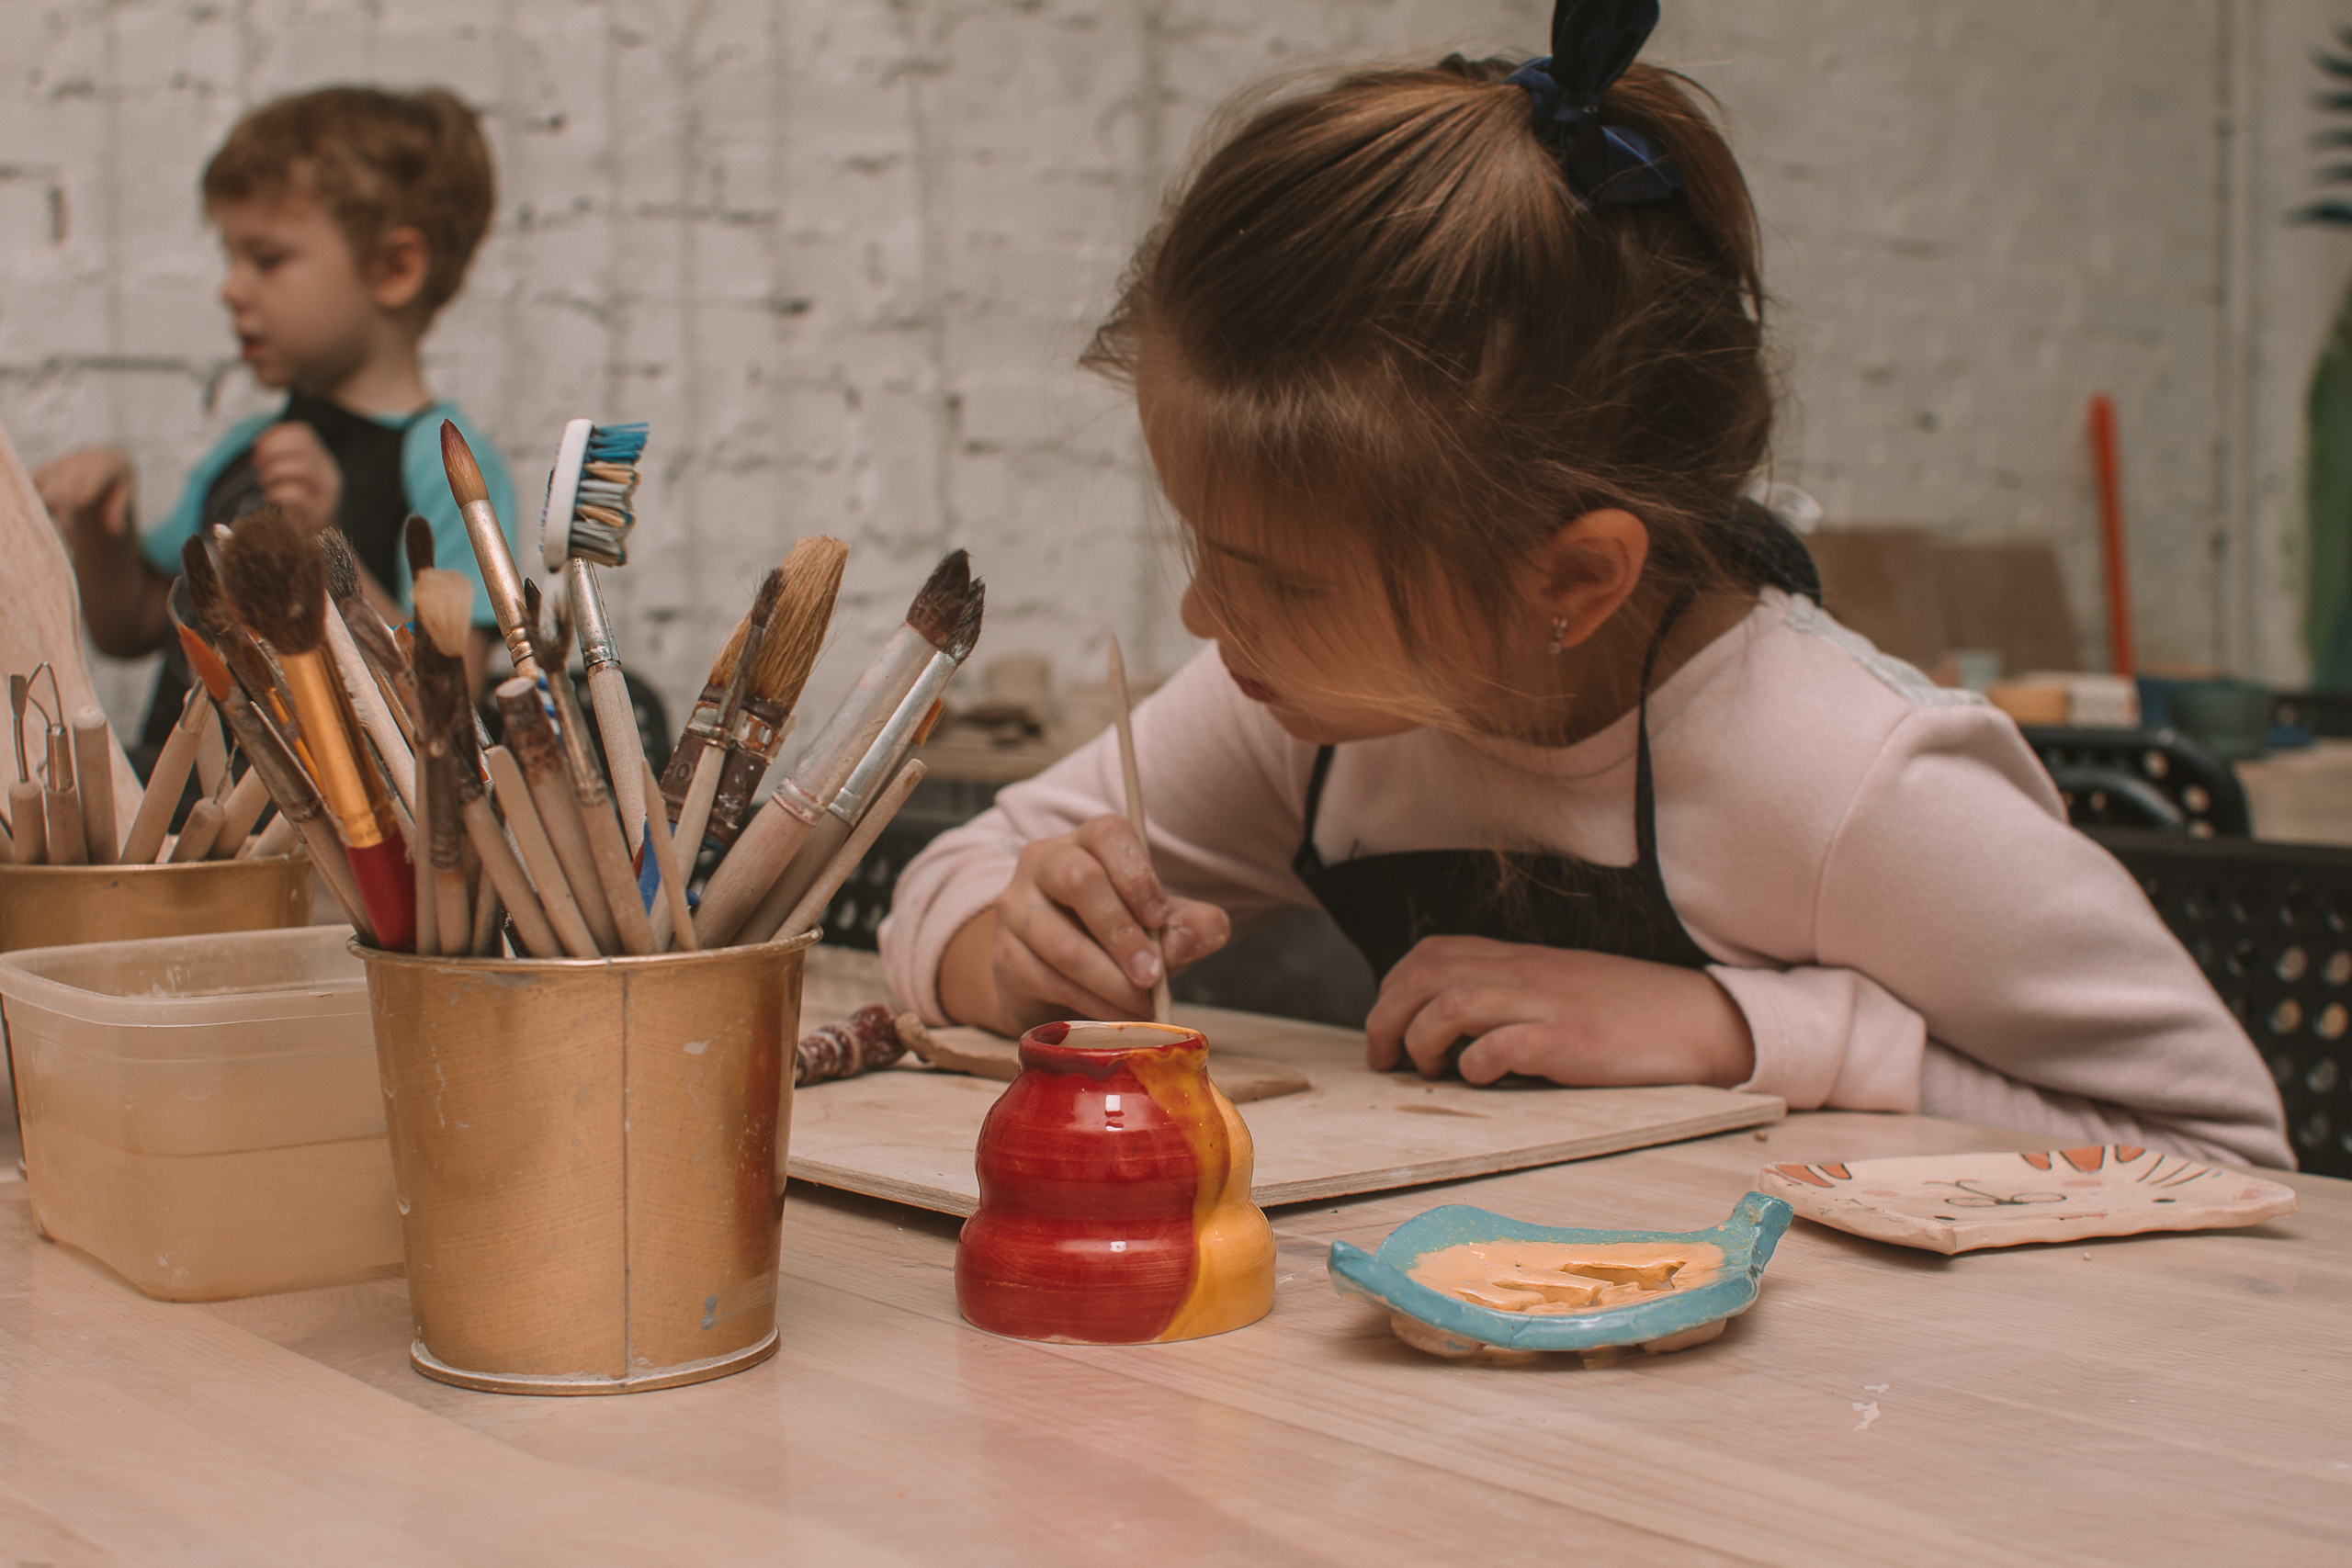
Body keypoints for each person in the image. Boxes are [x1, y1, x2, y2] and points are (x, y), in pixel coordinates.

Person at [880, 0, 2290, 1168]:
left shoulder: (1852, 782)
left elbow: (2229, 1159)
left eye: (1278, 582)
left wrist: (1746, 1034)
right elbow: (933, 886)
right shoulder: (1294, 714)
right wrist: (1020, 953)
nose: (1204, 619)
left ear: (1575, 576)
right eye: (1204, 550)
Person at [35, 85, 519, 767]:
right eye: (230, 257)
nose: (231, 289)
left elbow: (451, 699)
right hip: (183, 819)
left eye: (266, 259)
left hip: (333, 851)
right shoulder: (246, 452)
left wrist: (329, 550)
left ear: (394, 268)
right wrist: (100, 526)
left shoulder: (445, 463)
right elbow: (135, 626)